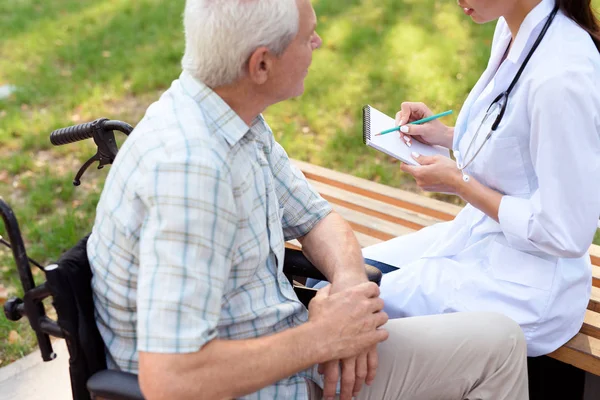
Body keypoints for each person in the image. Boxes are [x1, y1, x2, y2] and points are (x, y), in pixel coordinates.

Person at [87, 0, 529, 399]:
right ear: (261, 64)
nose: (317, 42)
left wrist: (350, 298)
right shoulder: (191, 176)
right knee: (501, 347)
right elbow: (171, 380)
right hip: (268, 384)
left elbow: (318, 219)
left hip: (297, 356)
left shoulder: (228, 115)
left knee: (498, 338)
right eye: (306, 36)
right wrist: (322, 339)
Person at [360, 0, 600, 358]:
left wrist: (460, 183)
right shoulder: (513, 29)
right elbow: (517, 144)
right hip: (481, 240)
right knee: (339, 277)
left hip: (529, 290)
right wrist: (444, 136)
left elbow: (565, 232)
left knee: (354, 306)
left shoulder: (562, 79)